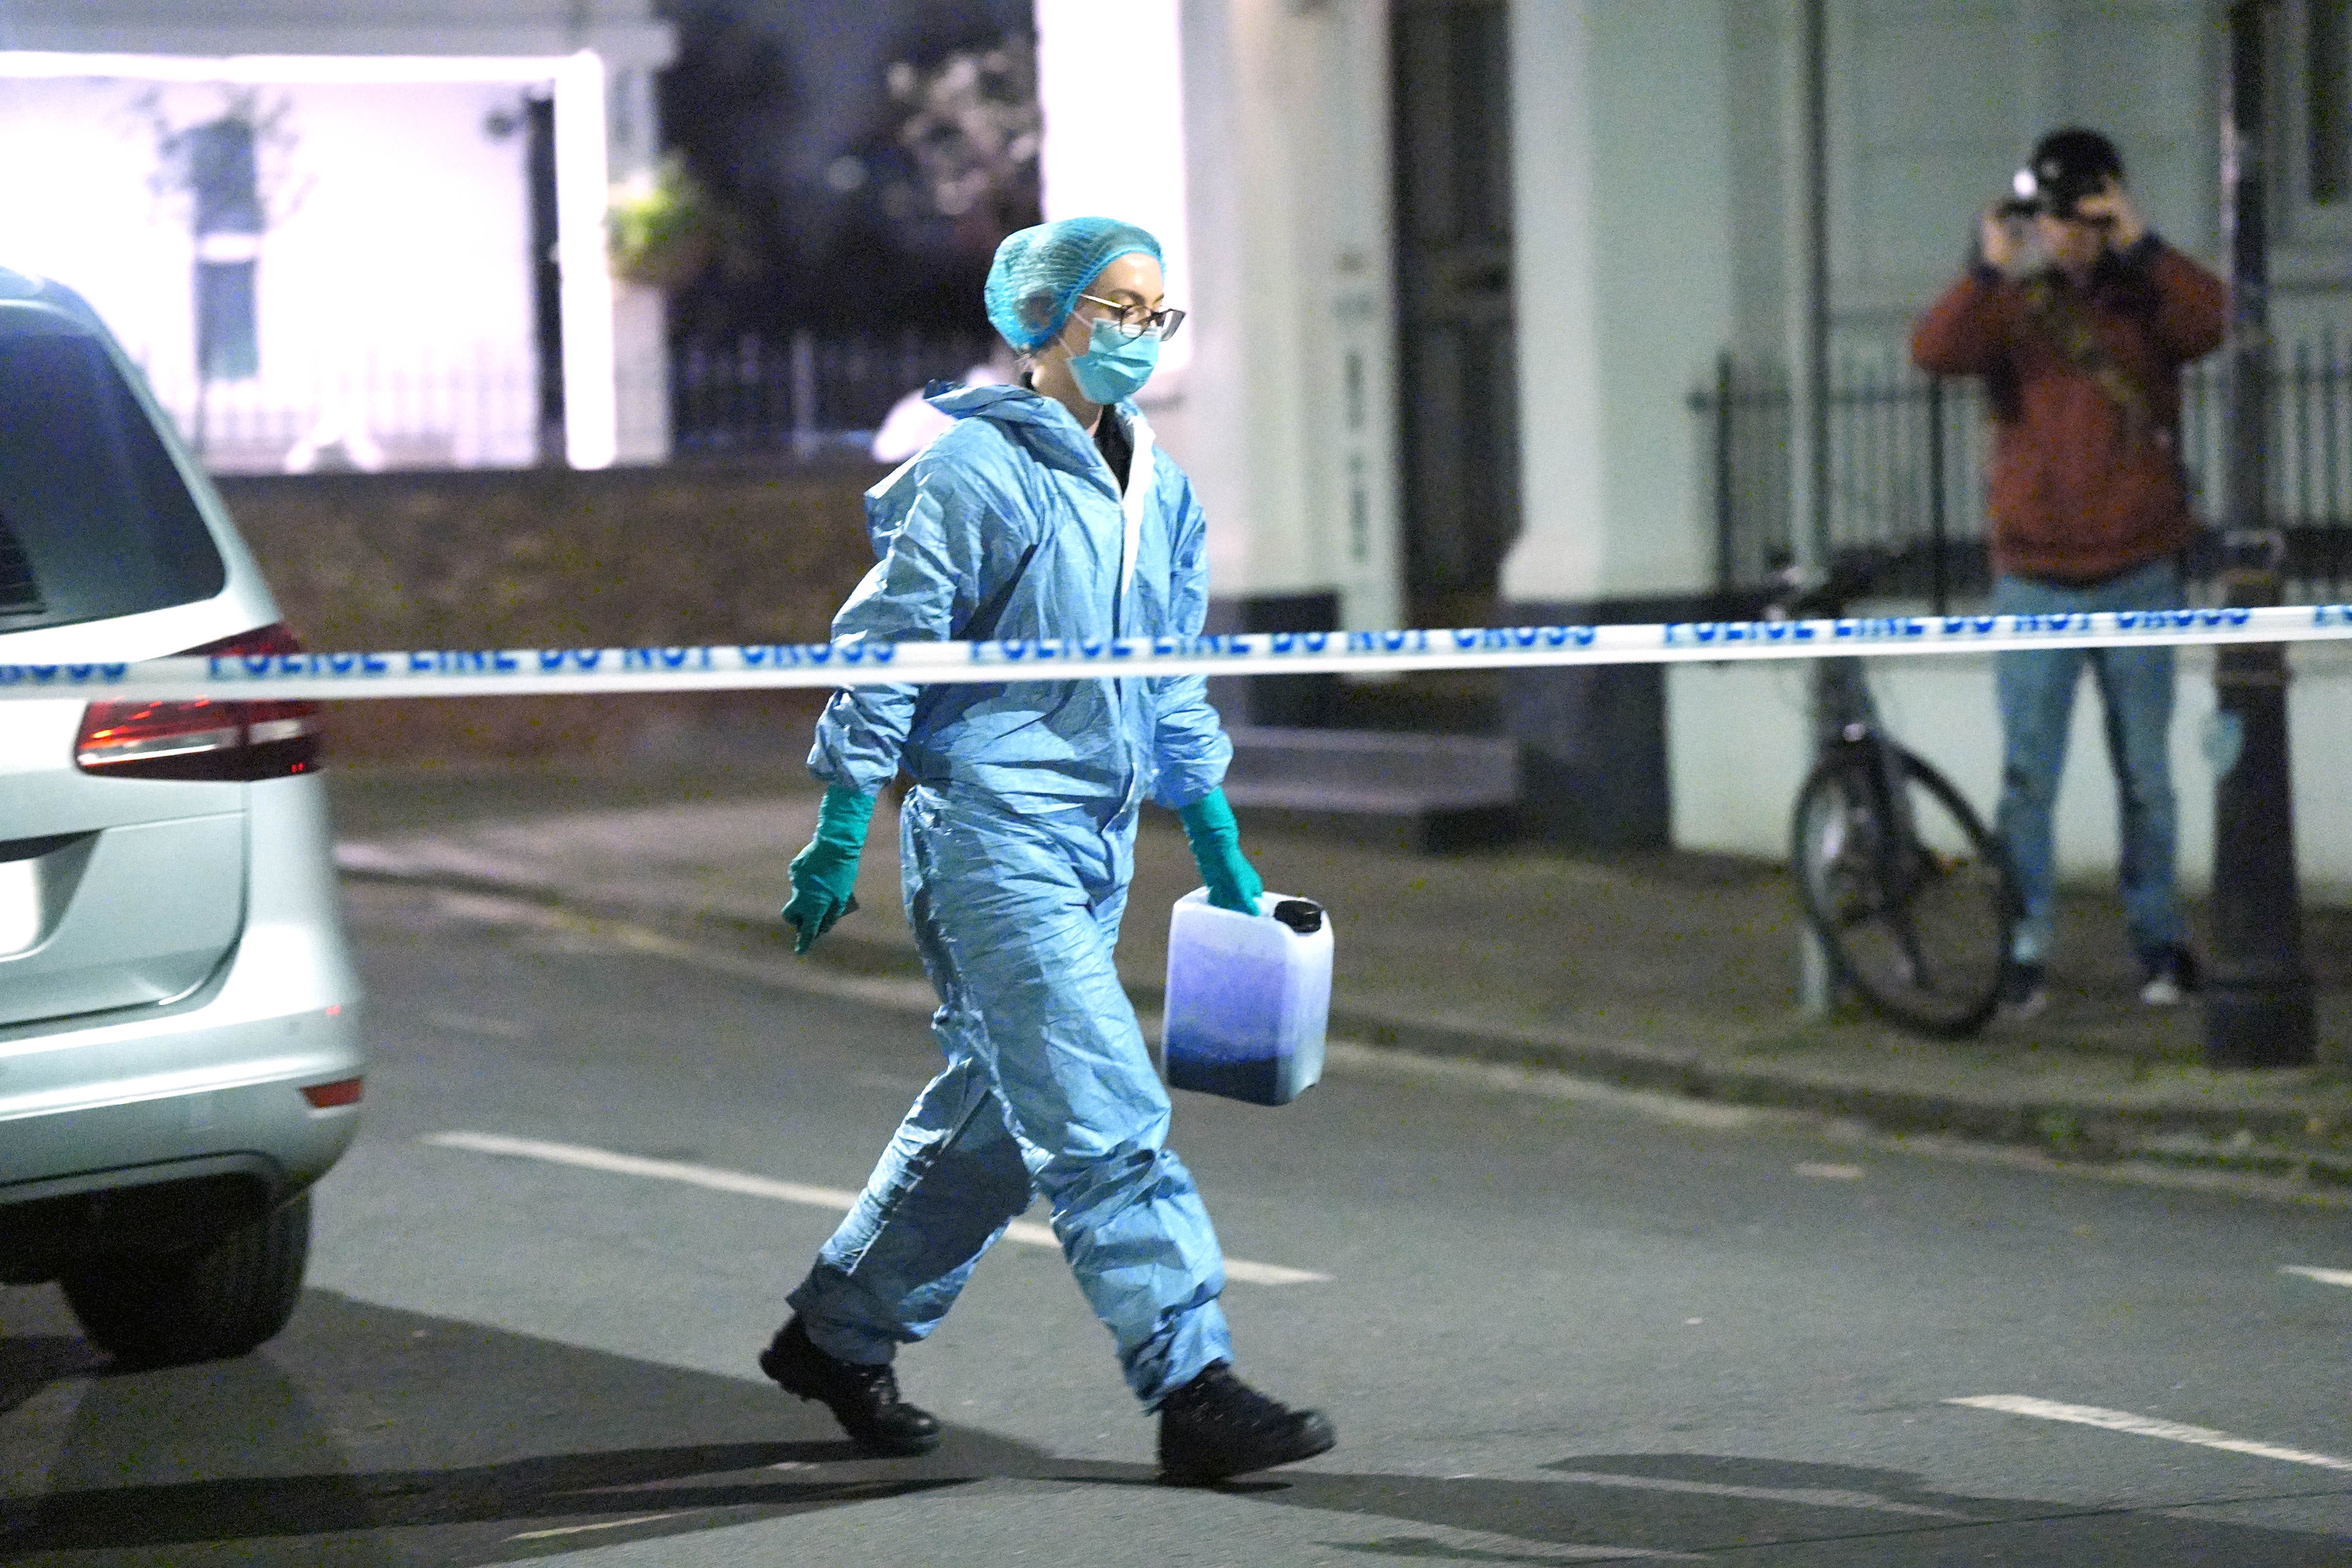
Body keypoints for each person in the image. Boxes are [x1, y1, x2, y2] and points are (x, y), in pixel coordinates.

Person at [762, 216, 1337, 1486]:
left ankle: (838, 1331)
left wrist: (1221, 847)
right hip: (988, 833)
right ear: (1044, 318)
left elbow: (1172, 680)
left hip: (1098, 838)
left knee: (997, 1121)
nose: (1139, 335)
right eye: (1115, 309)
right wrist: (844, 819)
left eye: (1156, 314)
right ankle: (1191, 1383)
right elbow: (887, 647)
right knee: (1102, 1109)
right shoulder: (973, 471)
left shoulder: (1165, 490)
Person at [1911, 128, 2226, 1017]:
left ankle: (2159, 941)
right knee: (2029, 778)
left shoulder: (2145, 298)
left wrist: (2144, 242)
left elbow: (2218, 323)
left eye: (2086, 215)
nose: (2069, 234)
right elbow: (1933, 352)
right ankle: (2023, 948)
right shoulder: (2013, 308)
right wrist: (1986, 267)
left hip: (2137, 569)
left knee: (2147, 777)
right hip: (2037, 576)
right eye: (2056, 217)